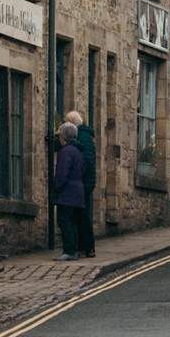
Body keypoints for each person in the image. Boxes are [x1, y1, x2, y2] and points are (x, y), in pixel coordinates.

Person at [53, 124, 88, 261]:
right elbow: (84, 169)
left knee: (64, 221)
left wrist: (56, 187)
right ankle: (74, 250)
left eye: (60, 135)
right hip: (78, 191)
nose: (59, 138)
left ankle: (69, 250)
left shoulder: (66, 151)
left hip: (67, 193)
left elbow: (62, 172)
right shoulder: (78, 151)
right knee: (73, 222)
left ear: (64, 137)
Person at [67, 109, 97, 258]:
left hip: (84, 183)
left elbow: (87, 161)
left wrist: (76, 177)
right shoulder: (83, 135)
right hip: (84, 182)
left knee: (81, 215)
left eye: (67, 123)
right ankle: (85, 247)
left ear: (72, 124)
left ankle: (87, 247)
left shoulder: (83, 137)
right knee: (80, 214)